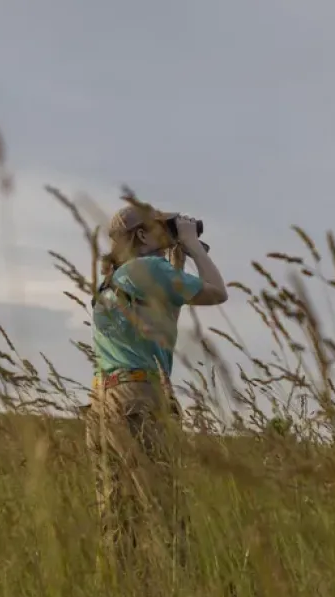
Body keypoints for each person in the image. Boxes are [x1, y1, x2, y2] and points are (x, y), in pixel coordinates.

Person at [86, 201, 229, 576]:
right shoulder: (150, 267)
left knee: (118, 518)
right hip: (140, 398)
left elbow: (166, 313)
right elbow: (217, 291)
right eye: (161, 228)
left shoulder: (112, 279)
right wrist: (193, 246)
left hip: (103, 401)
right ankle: (178, 588)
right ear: (143, 235)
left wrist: (177, 256)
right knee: (164, 509)